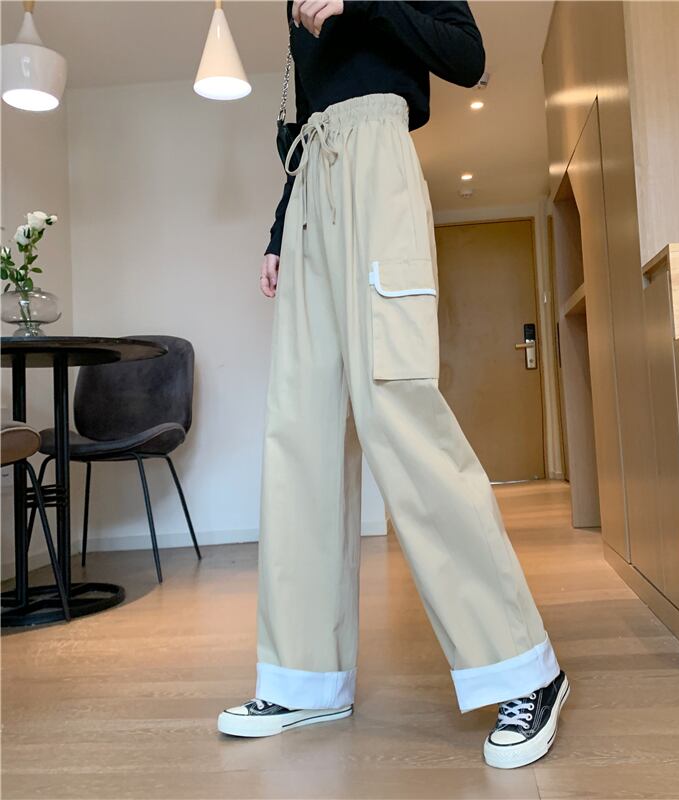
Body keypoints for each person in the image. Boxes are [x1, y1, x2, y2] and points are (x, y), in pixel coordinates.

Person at [218, 0, 569, 770]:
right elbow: (303, 119)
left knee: (397, 409)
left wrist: (362, 4)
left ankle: (523, 666)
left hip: (378, 165)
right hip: (310, 187)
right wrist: (279, 233)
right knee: (300, 428)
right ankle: (305, 678)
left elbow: (467, 57)